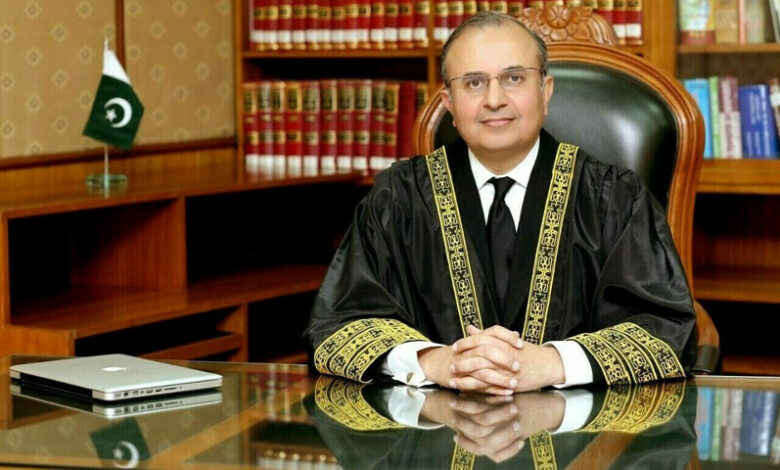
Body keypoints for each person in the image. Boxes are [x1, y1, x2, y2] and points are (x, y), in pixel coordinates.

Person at [305, 11, 696, 395]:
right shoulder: (399, 199)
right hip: (437, 426)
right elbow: (336, 327)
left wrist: (552, 363)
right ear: (449, 103)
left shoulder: (612, 197)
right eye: (474, 83)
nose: (494, 99)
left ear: (545, 91)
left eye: (514, 78)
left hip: (579, 432)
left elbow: (667, 331)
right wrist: (433, 362)